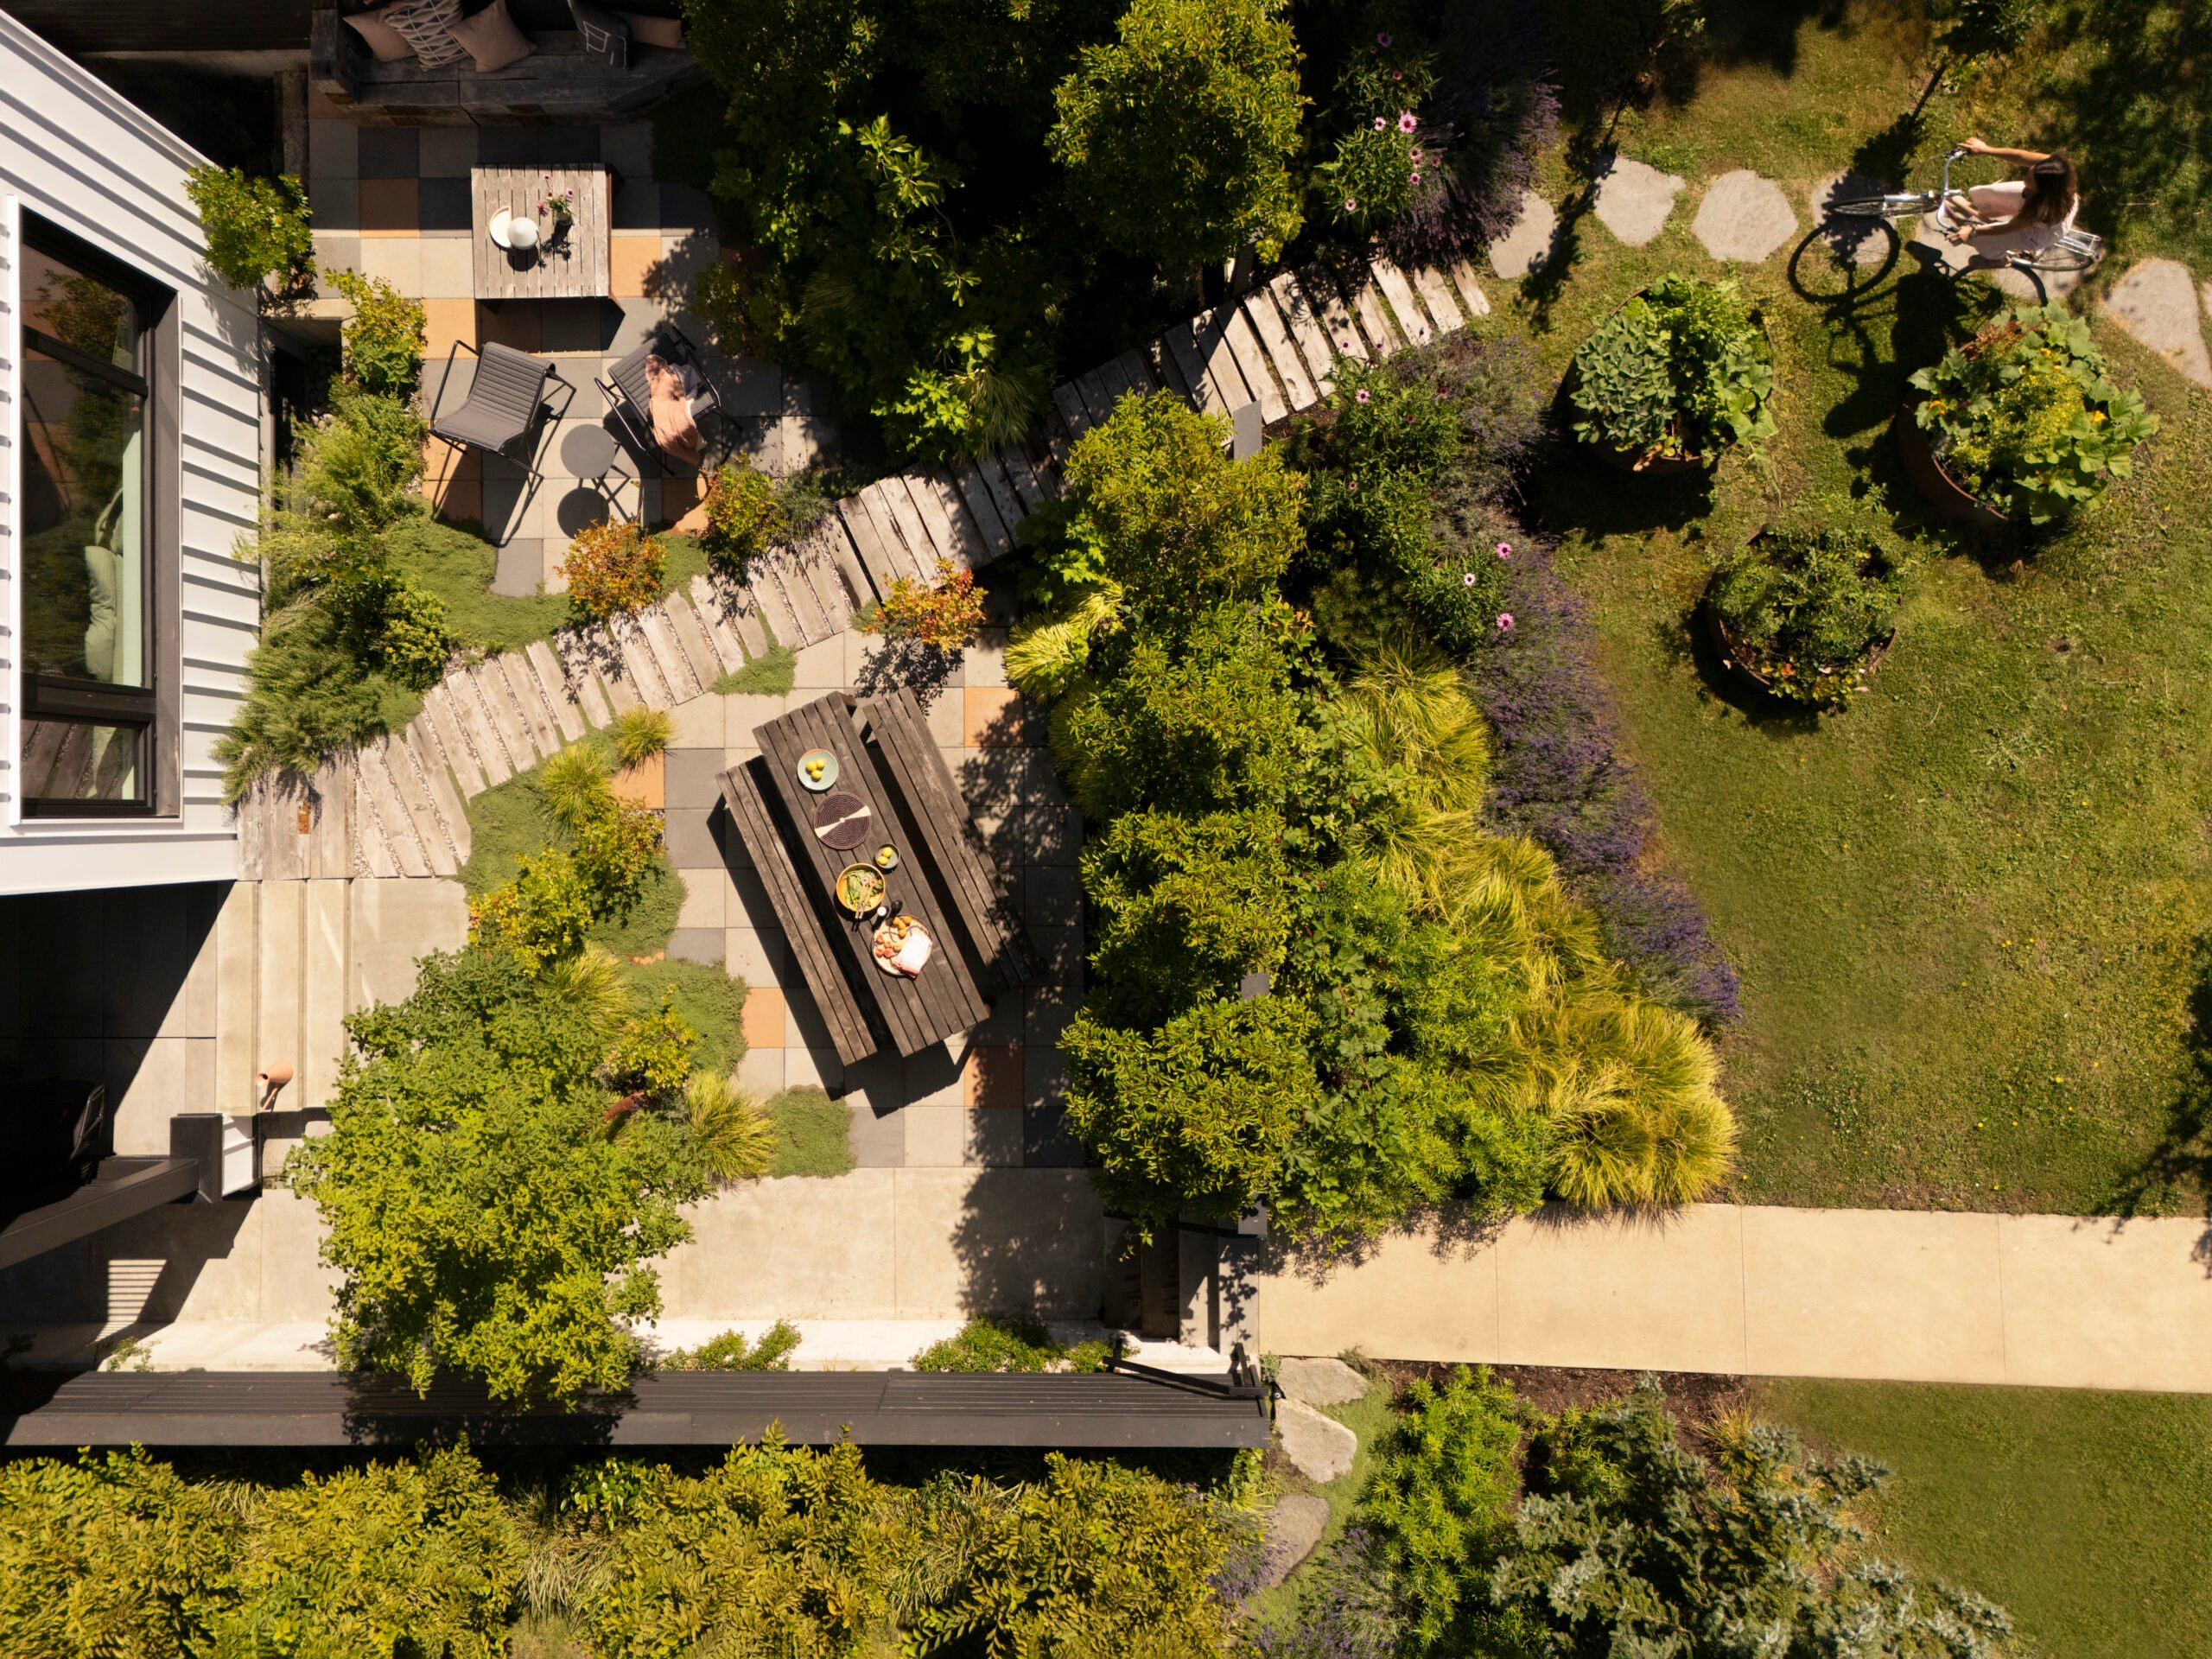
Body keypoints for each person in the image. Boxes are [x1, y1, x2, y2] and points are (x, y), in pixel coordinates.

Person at [1935, 138, 2080, 264]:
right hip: (2038, 198)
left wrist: (1973, 231)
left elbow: (2007, 228)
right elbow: (2021, 156)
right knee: (1990, 195)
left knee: (1983, 240)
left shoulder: (2040, 209)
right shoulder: (2052, 169)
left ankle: (1998, 259)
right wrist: (1986, 149)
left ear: (2041, 190)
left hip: (2038, 232)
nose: (2024, 178)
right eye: (2030, 172)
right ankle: (1970, 210)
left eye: (2029, 179)